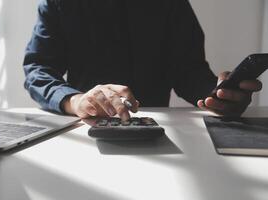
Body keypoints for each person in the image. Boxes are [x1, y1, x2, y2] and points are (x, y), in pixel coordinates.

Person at [23, 0, 262, 120]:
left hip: (160, 133)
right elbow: (38, 69)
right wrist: (74, 101)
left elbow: (189, 72)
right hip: (85, 127)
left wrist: (218, 95)